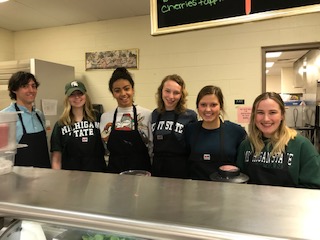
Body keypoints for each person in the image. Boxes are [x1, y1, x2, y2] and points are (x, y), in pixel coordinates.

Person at [236, 92, 320, 188]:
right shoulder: (246, 145)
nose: (266, 119)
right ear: (254, 116)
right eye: (260, 112)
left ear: (282, 115)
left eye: (272, 112)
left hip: (289, 203)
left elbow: (314, 188)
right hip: (252, 202)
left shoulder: (301, 146)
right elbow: (240, 182)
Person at [185, 85, 246, 181]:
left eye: (213, 105)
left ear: (220, 106)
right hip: (196, 190)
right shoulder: (190, 130)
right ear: (197, 107)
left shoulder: (236, 132)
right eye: (203, 105)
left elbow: (244, 166)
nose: (208, 109)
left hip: (227, 191)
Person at [100, 67, 152, 173]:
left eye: (126, 88)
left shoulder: (147, 114)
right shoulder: (105, 117)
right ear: (113, 93)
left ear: (133, 90)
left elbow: (152, 148)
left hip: (141, 174)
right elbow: (105, 149)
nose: (123, 93)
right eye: (117, 90)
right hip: (114, 174)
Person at [50, 81, 107, 172]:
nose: (77, 97)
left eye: (80, 93)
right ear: (67, 98)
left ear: (85, 96)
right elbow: (56, 158)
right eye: (72, 94)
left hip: (97, 175)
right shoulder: (60, 124)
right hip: (71, 177)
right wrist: (58, 180)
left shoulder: (98, 118)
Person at [1, 71, 51, 168]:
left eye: (33, 86)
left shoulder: (39, 115)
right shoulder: (5, 116)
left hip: (45, 175)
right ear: (14, 89)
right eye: (25, 86)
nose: (31, 90)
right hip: (19, 178)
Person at [151, 74, 197, 178]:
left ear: (181, 95)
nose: (171, 96)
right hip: (157, 169)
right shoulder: (155, 114)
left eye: (176, 93)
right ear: (161, 91)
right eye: (167, 91)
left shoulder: (190, 116)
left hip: (180, 170)